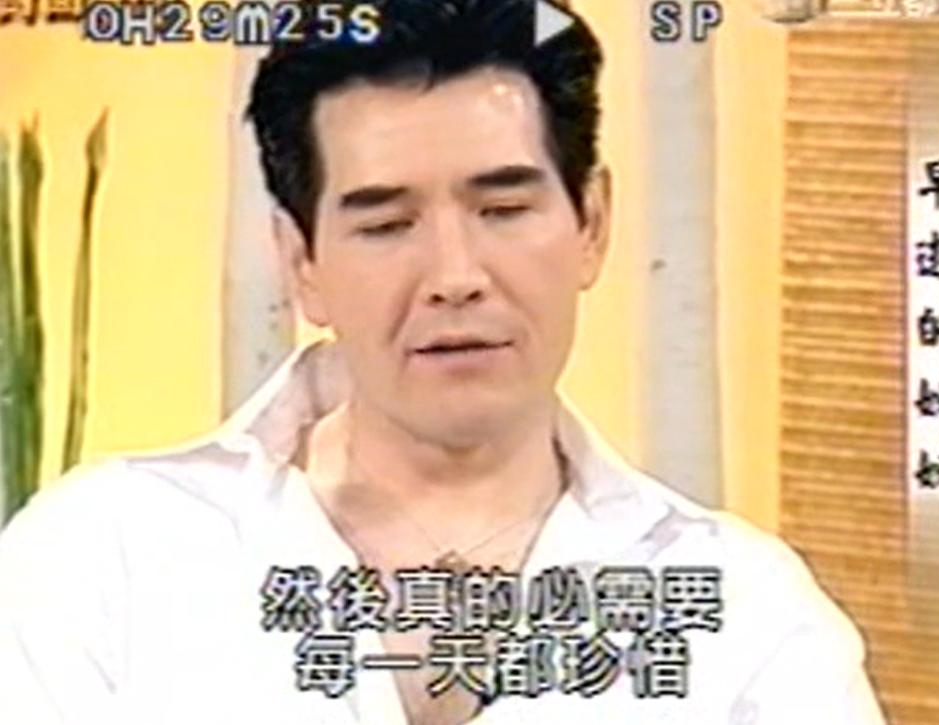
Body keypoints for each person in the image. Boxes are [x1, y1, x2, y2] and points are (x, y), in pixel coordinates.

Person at [0, 1, 888, 723]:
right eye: (387, 224)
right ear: (302, 262)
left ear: (591, 223)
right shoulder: (102, 557)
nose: (455, 277)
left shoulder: (747, 614)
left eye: (503, 210)